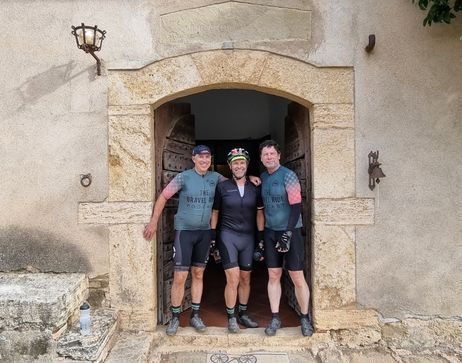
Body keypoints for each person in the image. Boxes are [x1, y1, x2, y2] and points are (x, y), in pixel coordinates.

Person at [143, 145, 260, 336]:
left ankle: (195, 315)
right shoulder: (184, 177)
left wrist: (253, 176)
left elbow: (237, 179)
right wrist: (153, 222)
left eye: (207, 157)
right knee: (180, 276)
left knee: (198, 274)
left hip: (204, 233)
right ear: (194, 158)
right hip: (185, 232)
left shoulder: (216, 178)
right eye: (201, 157)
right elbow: (164, 197)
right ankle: (174, 317)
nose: (205, 160)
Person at [259, 140, 314, 337]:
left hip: (290, 230)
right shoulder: (263, 178)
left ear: (279, 155)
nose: (269, 157)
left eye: (272, 154)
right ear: (261, 158)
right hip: (271, 231)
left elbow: (296, 206)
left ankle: (304, 318)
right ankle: (275, 317)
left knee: (296, 276)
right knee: (273, 275)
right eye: (265, 154)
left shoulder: (288, 176)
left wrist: (288, 233)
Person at [211, 148, 265, 333]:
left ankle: (243, 313)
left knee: (245, 278)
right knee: (233, 278)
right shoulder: (222, 187)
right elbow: (215, 212)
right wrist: (212, 234)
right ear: (230, 166)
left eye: (242, 162)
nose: (239, 166)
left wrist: (261, 237)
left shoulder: (255, 187)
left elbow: (259, 213)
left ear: (247, 165)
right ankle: (231, 317)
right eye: (235, 163)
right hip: (228, 236)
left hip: (248, 238)